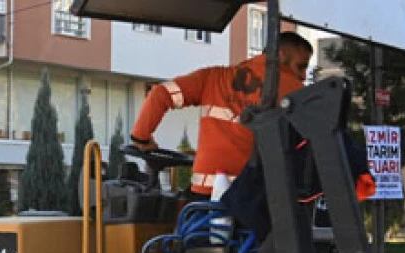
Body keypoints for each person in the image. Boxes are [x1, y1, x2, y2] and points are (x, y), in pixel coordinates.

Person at [130, 32, 314, 195]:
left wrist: (141, 139)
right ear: (280, 56)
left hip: (206, 193)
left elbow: (160, 93)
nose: (304, 76)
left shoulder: (215, 77)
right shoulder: (297, 93)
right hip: (256, 196)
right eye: (301, 66)